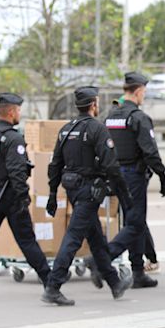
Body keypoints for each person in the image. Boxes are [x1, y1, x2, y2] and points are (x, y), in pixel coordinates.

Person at [42, 86, 133, 306]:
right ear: (94, 104)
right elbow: (111, 166)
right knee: (74, 237)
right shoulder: (96, 129)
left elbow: (55, 165)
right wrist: (125, 196)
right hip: (89, 191)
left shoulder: (66, 129)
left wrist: (53, 194)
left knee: (95, 237)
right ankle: (53, 286)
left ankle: (114, 282)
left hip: (73, 188)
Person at [89, 72, 165, 289]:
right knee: (134, 224)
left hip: (115, 175)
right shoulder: (139, 118)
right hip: (133, 176)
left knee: (134, 222)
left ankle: (137, 271)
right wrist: (162, 176)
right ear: (139, 91)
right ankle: (100, 260)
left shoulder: (110, 117)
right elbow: (150, 151)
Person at [0, 94, 50, 298]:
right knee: (27, 240)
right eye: (18, 110)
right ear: (11, 111)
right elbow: (17, 172)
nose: (20, 114)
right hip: (9, 196)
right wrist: (24, 198)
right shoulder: (14, 138)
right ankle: (51, 285)